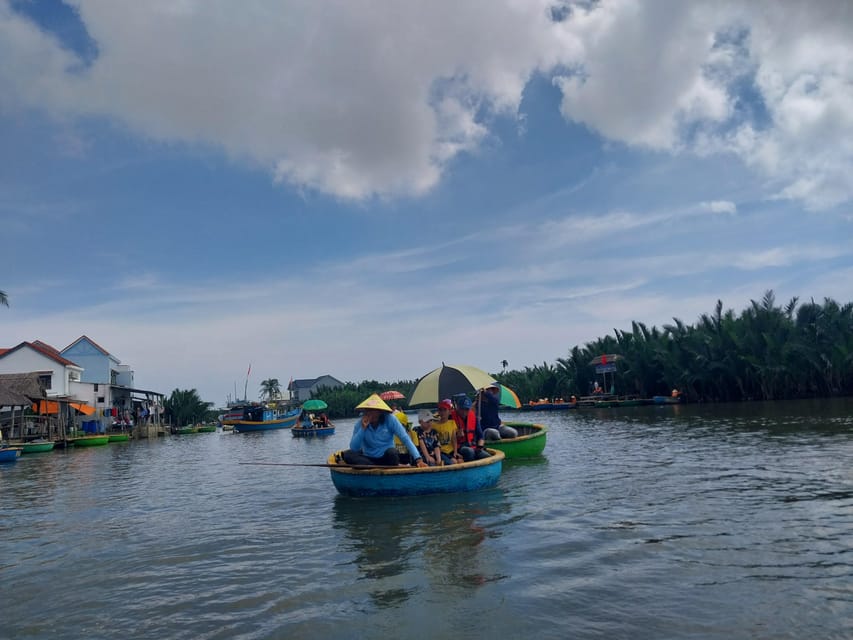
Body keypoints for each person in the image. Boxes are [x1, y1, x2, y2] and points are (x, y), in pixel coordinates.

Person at [342, 394, 426, 467]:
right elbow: (354, 448)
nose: (369, 413)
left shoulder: (390, 419)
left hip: (387, 458)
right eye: (367, 410)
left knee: (392, 452)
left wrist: (418, 459)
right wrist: (363, 429)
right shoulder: (360, 424)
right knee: (348, 455)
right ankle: (375, 467)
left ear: (379, 411)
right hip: (368, 459)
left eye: (373, 410)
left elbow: (405, 438)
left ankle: (381, 466)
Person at [452, 395, 489, 461]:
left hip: (473, 445)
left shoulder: (474, 417)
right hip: (459, 447)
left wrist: (480, 447)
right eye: (462, 409)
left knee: (486, 456)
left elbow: (481, 436)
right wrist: (457, 435)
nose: (464, 412)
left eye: (466, 409)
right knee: (469, 451)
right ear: (457, 408)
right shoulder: (451, 418)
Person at [433, 398, 460, 464]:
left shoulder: (452, 423)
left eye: (445, 410)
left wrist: (455, 452)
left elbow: (454, 440)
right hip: (441, 451)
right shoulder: (434, 425)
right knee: (453, 462)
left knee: (460, 461)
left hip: (450, 450)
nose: (442, 412)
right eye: (440, 410)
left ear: (449, 412)